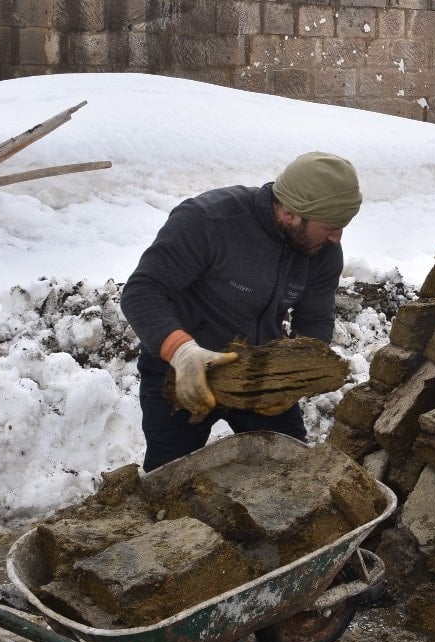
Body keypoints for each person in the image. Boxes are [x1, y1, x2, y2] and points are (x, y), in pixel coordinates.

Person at [121, 151, 361, 472]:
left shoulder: (322, 250)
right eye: (331, 226)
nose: (337, 237)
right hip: (182, 371)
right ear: (290, 213)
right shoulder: (208, 221)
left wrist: (296, 376)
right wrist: (181, 351)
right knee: (170, 479)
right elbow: (142, 291)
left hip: (259, 375)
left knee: (292, 475)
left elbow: (314, 319)